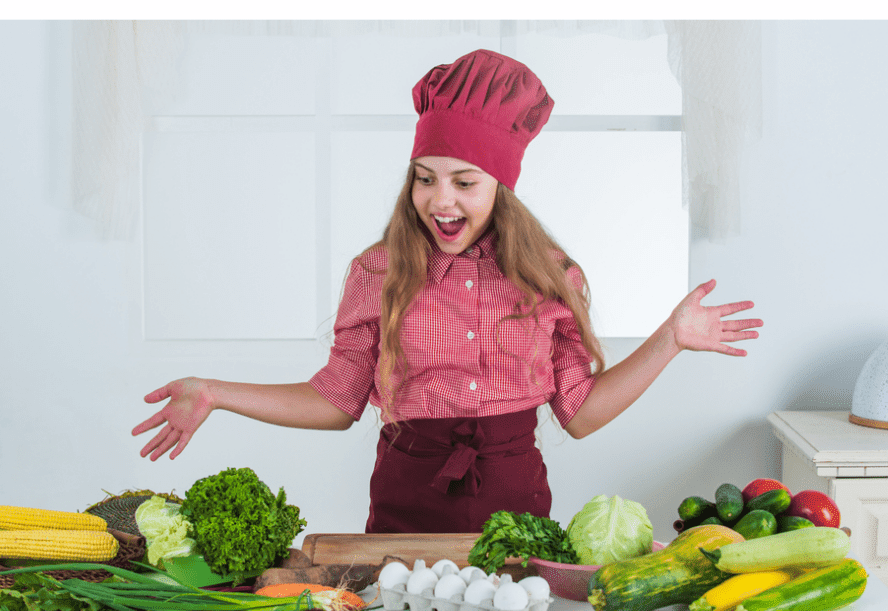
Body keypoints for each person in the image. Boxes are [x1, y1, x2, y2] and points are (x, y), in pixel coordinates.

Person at [132, 49, 762, 533]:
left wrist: (671, 340)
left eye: (465, 182)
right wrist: (215, 393)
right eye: (425, 178)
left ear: (500, 186)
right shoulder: (377, 274)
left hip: (516, 513)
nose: (440, 200)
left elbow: (581, 415)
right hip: (403, 508)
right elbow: (336, 401)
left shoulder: (548, 276)